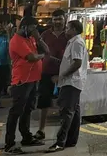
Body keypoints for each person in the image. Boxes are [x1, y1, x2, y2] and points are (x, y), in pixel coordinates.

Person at [5, 16, 49, 154]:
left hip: (33, 80)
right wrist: (41, 56)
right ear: (24, 27)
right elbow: (31, 57)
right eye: (32, 28)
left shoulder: (30, 38)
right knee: (16, 112)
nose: (34, 31)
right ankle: (9, 144)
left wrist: (38, 38)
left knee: (28, 110)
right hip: (21, 81)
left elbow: (47, 50)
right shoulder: (17, 40)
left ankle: (26, 137)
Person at [46, 20, 88, 153]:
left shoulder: (77, 43)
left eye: (68, 28)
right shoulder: (73, 42)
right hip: (72, 82)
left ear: (74, 29)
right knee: (73, 112)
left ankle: (60, 142)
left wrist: (62, 76)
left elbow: (77, 63)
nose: (65, 30)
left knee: (66, 112)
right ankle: (71, 140)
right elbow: (70, 61)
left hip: (71, 82)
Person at [36, 9, 68, 141]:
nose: (57, 22)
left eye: (60, 19)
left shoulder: (68, 35)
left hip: (64, 72)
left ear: (65, 19)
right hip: (46, 72)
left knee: (64, 102)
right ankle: (41, 129)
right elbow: (38, 50)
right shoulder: (45, 34)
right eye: (55, 19)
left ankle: (63, 131)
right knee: (44, 101)